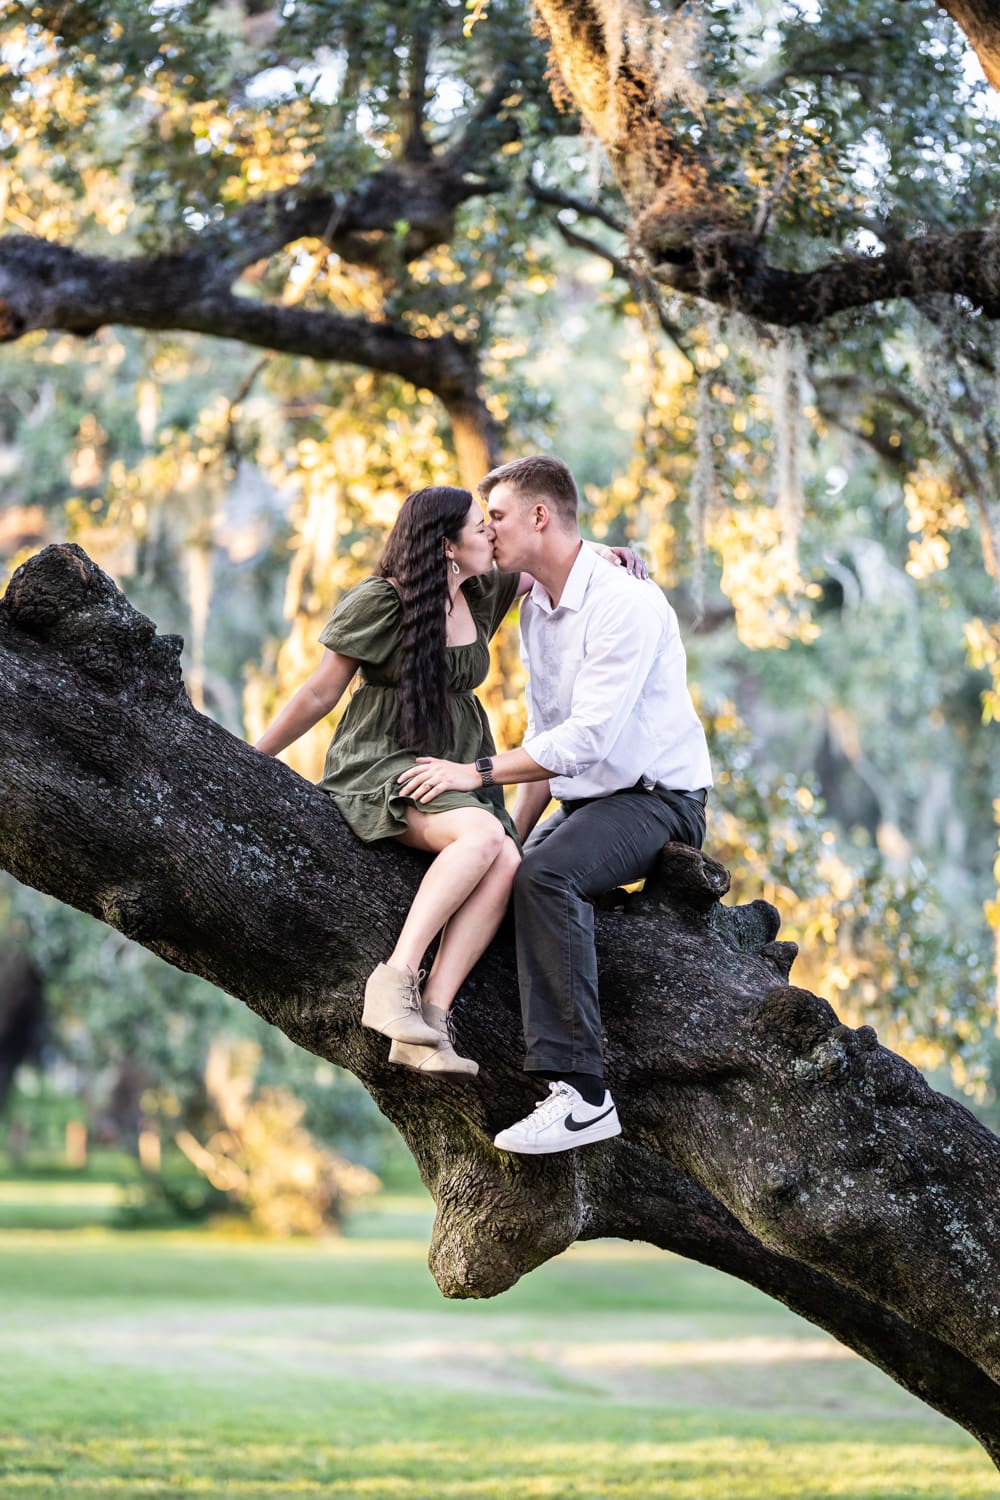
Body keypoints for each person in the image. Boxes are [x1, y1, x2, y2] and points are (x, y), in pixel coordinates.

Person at [397, 455, 713, 1153]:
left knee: (547, 877)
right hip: (590, 801)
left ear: (540, 516)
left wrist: (471, 770)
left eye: (498, 517)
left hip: (657, 799)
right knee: (509, 873)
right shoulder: (538, 604)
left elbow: (585, 742)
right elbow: (549, 739)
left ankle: (584, 1094)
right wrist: (512, 833)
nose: (488, 530)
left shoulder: (624, 603)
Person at [255, 484, 522, 1077]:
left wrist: (615, 555)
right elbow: (320, 692)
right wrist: (251, 756)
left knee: (506, 858)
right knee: (482, 837)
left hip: (451, 766)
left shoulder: (481, 592)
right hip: (381, 759)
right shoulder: (382, 600)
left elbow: (557, 554)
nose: (492, 535)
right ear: (447, 546)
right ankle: (394, 979)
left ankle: (427, 1024)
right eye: (481, 527)